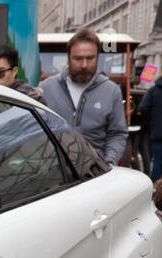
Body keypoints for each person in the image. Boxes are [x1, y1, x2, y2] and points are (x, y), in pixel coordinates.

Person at [39, 28, 128, 165]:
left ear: (97, 58)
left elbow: (117, 133)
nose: (84, 65)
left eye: (90, 58)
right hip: (53, 170)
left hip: (94, 172)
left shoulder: (112, 91)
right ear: (68, 57)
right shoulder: (46, 88)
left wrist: (109, 162)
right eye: (78, 58)